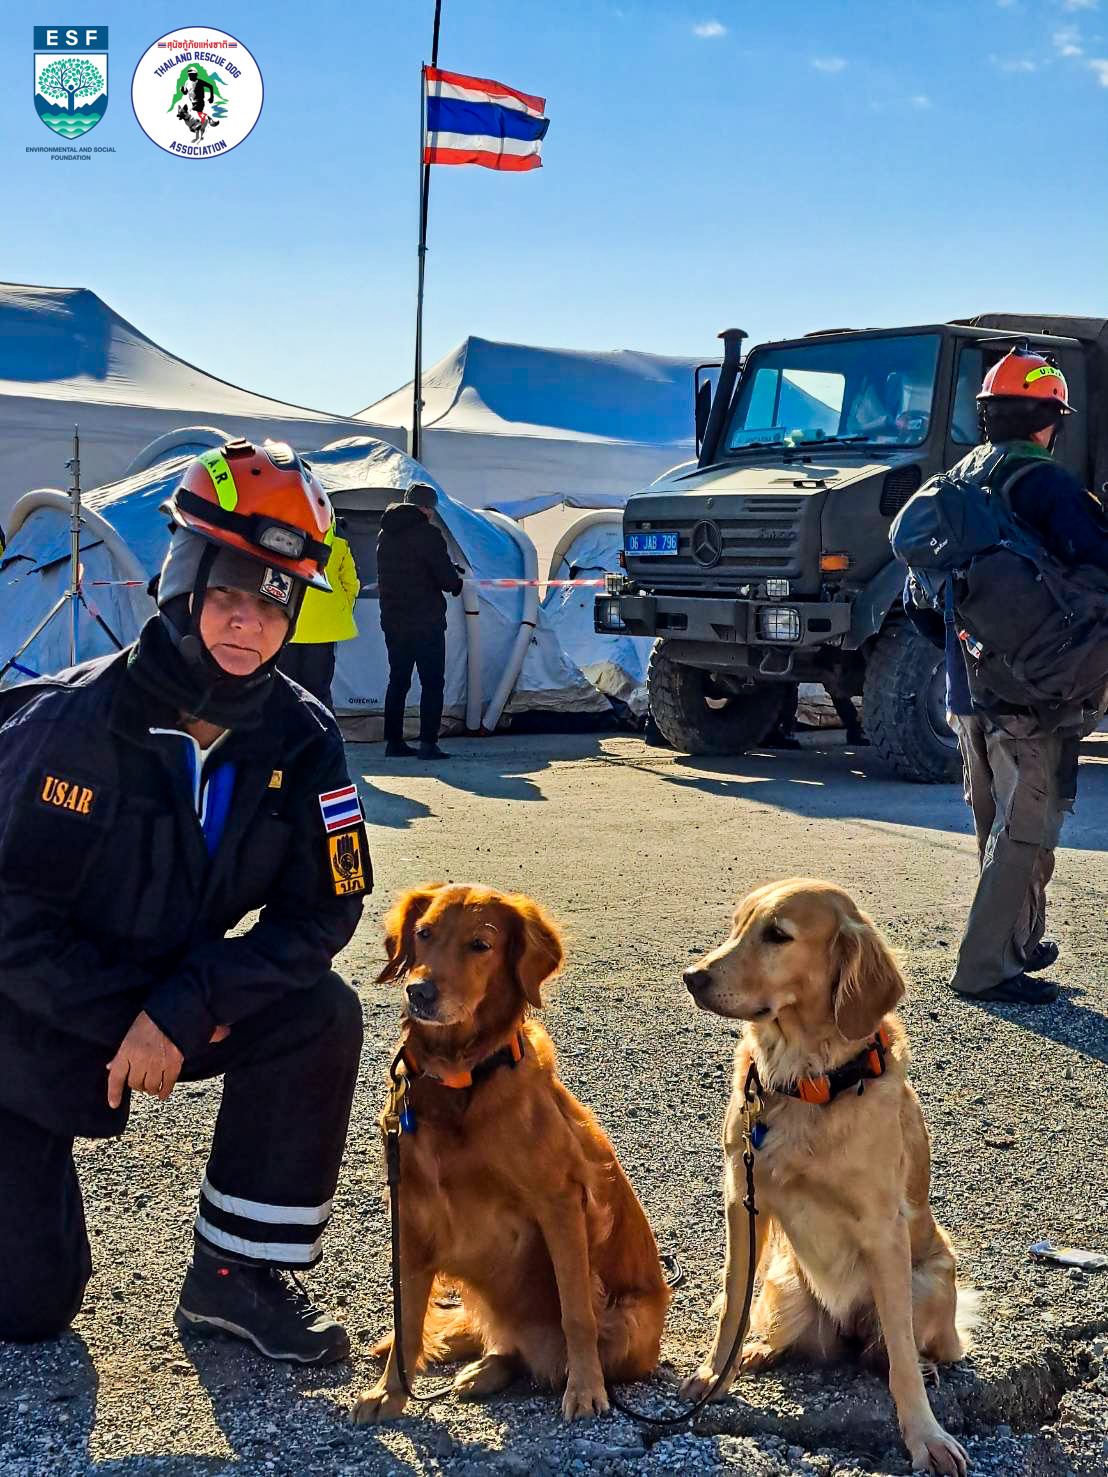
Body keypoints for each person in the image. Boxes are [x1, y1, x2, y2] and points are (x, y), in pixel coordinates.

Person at [0, 437, 370, 1361]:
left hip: (172, 1000)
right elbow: (11, 930)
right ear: (182, 581)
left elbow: (322, 913)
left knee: (320, 1011)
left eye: (273, 604)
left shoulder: (303, 739)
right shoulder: (69, 726)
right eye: (228, 596)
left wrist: (185, 1006)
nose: (248, 624)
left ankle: (234, 1278)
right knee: (28, 1308)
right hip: (27, 1017)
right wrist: (135, 1016)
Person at [906, 350, 1108, 1006]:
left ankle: (1017, 943)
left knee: (998, 821)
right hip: (1031, 693)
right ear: (1049, 420)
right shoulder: (1045, 485)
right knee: (1027, 825)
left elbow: (918, 601)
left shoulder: (956, 484)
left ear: (989, 415)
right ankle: (985, 967)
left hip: (966, 688)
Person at [377, 483, 463, 760]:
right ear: (426, 508)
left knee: (398, 681)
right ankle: (428, 743)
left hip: (393, 620)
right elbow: (446, 578)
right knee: (432, 682)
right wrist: (456, 580)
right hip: (426, 621)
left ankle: (393, 742)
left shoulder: (385, 534)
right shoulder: (428, 534)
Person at [278, 513, 360, 708]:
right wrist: (340, 609)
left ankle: (287, 736)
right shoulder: (339, 545)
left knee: (284, 688)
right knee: (318, 691)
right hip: (324, 629)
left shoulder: (282, 539)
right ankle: (321, 735)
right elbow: (351, 584)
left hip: (286, 626)